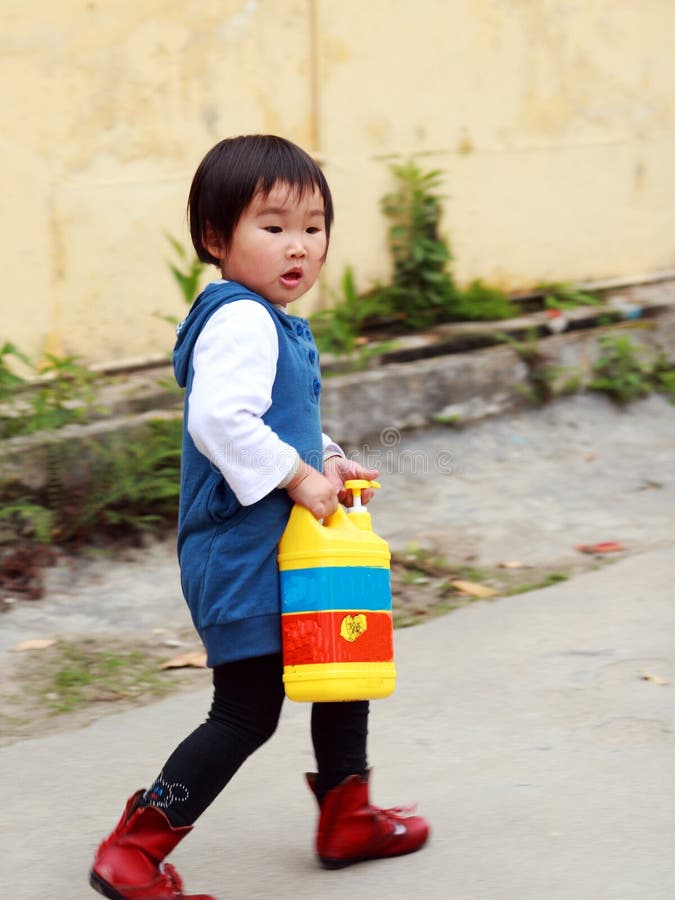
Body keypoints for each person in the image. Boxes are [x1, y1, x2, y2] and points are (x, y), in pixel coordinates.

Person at [89, 134, 430, 900]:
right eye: (272, 226)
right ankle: (133, 850)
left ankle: (347, 815)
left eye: (313, 226)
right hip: (241, 555)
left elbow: (279, 420)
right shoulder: (241, 318)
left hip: (280, 552)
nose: (298, 245)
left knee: (342, 671)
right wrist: (296, 476)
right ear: (216, 239)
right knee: (246, 710)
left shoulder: (267, 320)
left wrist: (326, 459)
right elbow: (221, 420)